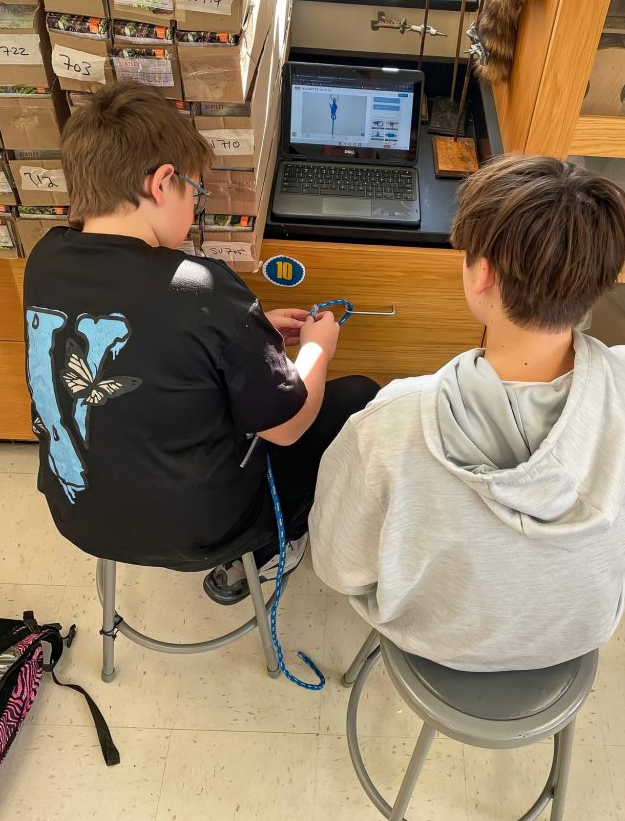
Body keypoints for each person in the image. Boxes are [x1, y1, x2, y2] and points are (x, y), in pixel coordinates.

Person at [309, 155, 625, 671]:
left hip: (435, 638)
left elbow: (338, 566)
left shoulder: (394, 421)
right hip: (577, 631)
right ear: (599, 277)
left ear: (482, 273)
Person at [23, 81, 378, 604]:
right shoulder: (202, 286)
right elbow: (288, 426)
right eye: (197, 192)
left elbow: (162, 345)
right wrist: (318, 347)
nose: (195, 209)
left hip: (76, 513)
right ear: (163, 182)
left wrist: (250, 334)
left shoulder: (44, 257)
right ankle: (270, 547)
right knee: (358, 397)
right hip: (203, 532)